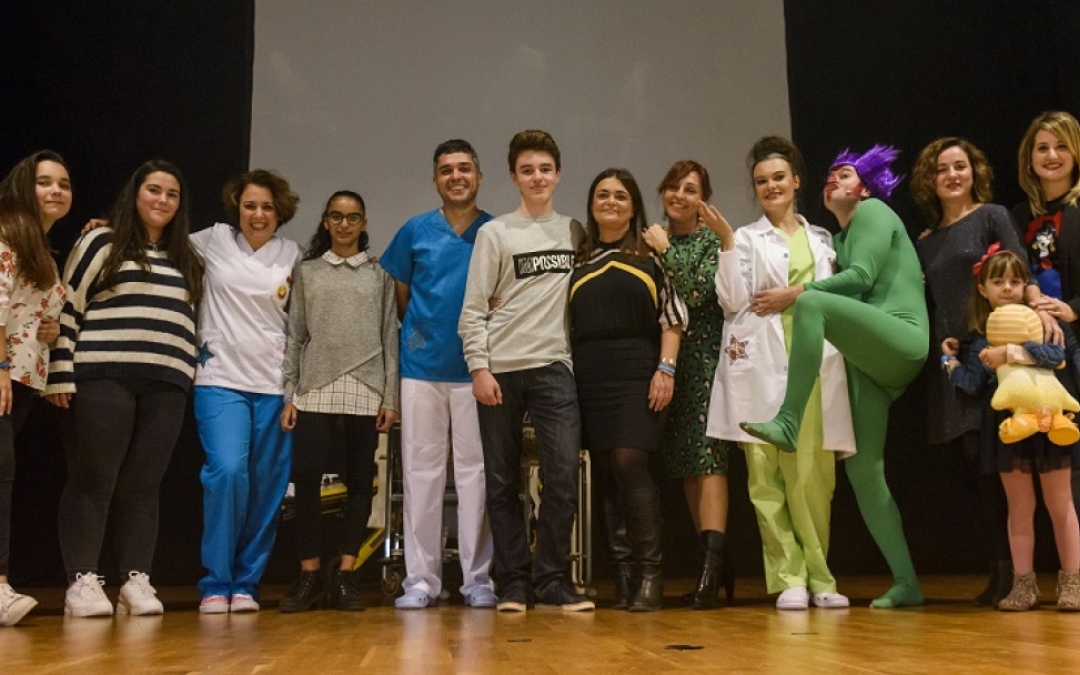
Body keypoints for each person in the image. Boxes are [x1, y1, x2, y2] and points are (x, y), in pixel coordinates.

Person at [741, 144, 929, 608]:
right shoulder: (836, 242)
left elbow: (861, 277)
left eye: (844, 174)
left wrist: (796, 292)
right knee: (864, 470)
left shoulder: (873, 212)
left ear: (864, 187)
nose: (833, 179)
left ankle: (788, 419)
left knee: (811, 303)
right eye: (829, 173)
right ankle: (906, 582)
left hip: (901, 339)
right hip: (869, 360)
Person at [704, 137, 854, 611]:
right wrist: (727, 243)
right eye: (761, 181)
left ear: (796, 182)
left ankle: (821, 576)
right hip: (760, 365)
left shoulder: (822, 239)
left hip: (814, 364)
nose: (770, 186)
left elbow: (839, 295)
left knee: (813, 475)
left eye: (778, 178)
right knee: (765, 476)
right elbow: (733, 300)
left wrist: (796, 294)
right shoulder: (746, 238)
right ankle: (789, 576)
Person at [46, 160, 202, 617]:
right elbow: (68, 307)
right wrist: (60, 371)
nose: (162, 200)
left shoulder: (189, 258)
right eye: (153, 190)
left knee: (144, 484)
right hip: (103, 375)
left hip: (167, 383)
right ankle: (82, 581)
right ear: (135, 194)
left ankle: (136, 579)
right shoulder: (101, 241)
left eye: (172, 194)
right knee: (93, 478)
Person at [458, 129, 592, 612]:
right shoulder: (495, 233)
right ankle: (513, 581)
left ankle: (551, 579)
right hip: (501, 370)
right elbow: (474, 308)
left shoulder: (575, 231)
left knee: (562, 475)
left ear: (558, 174)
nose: (537, 177)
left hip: (555, 367)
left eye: (545, 169)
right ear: (514, 177)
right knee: (501, 482)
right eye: (527, 170)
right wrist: (479, 368)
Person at [381, 140, 496, 610]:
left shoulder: (495, 231)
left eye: (464, 168)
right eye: (446, 170)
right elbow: (402, 294)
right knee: (421, 475)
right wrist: (424, 336)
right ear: (435, 180)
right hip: (422, 369)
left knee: (476, 476)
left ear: (479, 177)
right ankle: (421, 581)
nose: (456, 176)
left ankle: (478, 580)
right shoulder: (415, 230)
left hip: (477, 371)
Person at [912, 137, 1026, 606]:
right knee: (972, 471)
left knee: (1000, 467)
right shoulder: (925, 241)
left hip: (992, 354)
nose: (952, 175)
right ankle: (999, 568)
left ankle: (1019, 573)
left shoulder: (992, 216)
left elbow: (1019, 273)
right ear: (930, 180)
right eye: (942, 169)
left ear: (974, 171)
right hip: (952, 360)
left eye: (960, 166)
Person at [278, 191, 399, 612]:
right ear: (326, 221)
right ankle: (310, 574)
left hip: (366, 389)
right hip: (315, 387)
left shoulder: (380, 275)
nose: (344, 224)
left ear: (363, 223)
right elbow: (295, 336)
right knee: (307, 478)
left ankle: (346, 573)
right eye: (336, 216)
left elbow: (390, 338)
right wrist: (289, 393)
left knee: (360, 482)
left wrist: (390, 397)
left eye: (352, 217)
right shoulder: (307, 272)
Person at [572, 168, 686, 611]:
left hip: (639, 369)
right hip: (589, 374)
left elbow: (673, 318)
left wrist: (665, 369)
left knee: (628, 461)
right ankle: (622, 576)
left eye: (620, 195)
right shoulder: (577, 259)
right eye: (602, 194)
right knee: (604, 470)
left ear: (634, 205)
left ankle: (650, 575)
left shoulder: (651, 254)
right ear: (591, 204)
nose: (611, 202)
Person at [941, 249, 1080, 610]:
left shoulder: (1044, 324)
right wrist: (949, 361)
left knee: (1061, 504)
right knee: (1019, 508)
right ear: (983, 288)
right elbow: (972, 384)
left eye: (1015, 281)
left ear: (1025, 285)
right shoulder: (981, 337)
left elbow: (1057, 357)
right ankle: (1023, 585)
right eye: (998, 281)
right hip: (1008, 428)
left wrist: (1010, 354)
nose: (1007, 288)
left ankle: (1073, 582)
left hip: (1048, 421)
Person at [193, 170, 302, 614]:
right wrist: (105, 226)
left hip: (274, 386)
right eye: (250, 206)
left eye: (267, 207)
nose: (258, 214)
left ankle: (246, 583)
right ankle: (216, 582)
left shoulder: (292, 254)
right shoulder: (213, 240)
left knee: (268, 487)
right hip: (219, 380)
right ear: (236, 208)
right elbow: (155, 238)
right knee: (226, 473)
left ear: (280, 212)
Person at [641, 160, 732, 609]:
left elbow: (698, 293)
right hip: (668, 362)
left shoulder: (710, 241)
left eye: (690, 189)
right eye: (673, 186)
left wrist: (666, 252)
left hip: (707, 361)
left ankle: (711, 574)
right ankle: (712, 567)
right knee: (687, 465)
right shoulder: (651, 240)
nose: (679, 195)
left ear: (703, 199)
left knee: (708, 460)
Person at [0, 151, 68, 626]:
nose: (56, 190)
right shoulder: (8, 231)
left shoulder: (39, 244)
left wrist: (52, 328)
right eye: (45, 182)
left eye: (63, 183)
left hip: (25, 379)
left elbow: (36, 312)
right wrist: (1, 367)